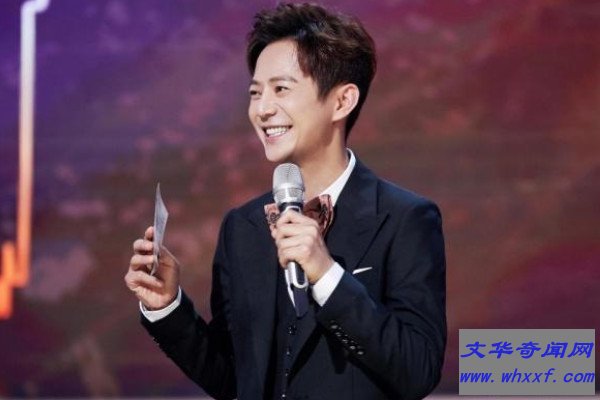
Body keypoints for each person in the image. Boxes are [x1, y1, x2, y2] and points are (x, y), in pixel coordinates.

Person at [125, 3, 446, 400]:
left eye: (281, 89)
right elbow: (233, 379)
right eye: (255, 93)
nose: (262, 110)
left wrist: (326, 275)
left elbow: (418, 370)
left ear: (342, 101)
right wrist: (167, 307)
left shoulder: (404, 218)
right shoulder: (242, 227)